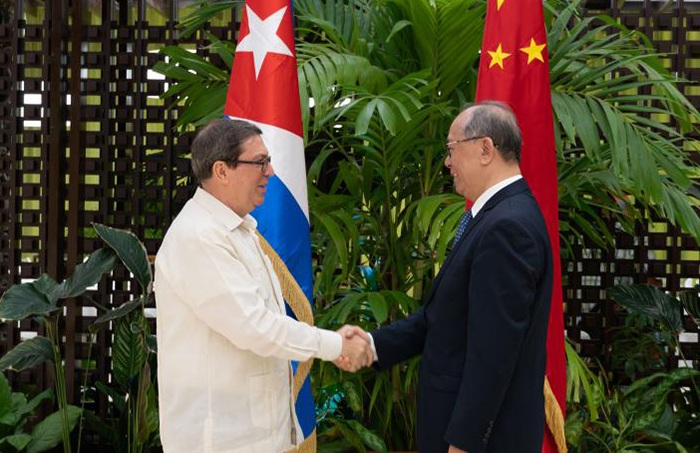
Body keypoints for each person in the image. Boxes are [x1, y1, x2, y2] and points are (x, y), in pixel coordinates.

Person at [341, 101, 554, 453]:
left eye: (452, 149)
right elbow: (442, 319)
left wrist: (464, 443)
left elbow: (493, 354)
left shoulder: (507, 227)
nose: (447, 162)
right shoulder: (497, 217)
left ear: (485, 149)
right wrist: (373, 345)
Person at [154, 119, 373, 453]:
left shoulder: (240, 230)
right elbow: (255, 327)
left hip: (253, 436)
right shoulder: (198, 236)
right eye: (260, 162)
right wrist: (335, 345)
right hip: (220, 441)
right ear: (222, 170)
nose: (270, 171)